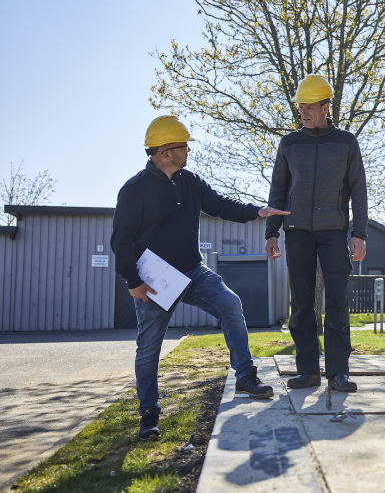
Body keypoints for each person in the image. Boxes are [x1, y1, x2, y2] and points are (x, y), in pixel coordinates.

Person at [111, 115, 290, 440]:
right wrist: (132, 281)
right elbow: (121, 240)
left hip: (193, 271)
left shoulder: (189, 181)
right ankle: (149, 414)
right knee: (149, 347)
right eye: (184, 146)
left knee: (230, 304)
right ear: (165, 151)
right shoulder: (135, 189)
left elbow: (220, 205)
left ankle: (245, 375)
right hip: (155, 280)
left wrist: (257, 211)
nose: (188, 151)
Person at [265, 74, 368, 393]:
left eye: (310, 106)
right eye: (301, 106)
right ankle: (307, 370)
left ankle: (338, 373)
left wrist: (359, 232)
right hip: (296, 232)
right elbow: (278, 188)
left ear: (326, 106)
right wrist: (272, 232)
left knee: (337, 301)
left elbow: (358, 190)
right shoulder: (289, 144)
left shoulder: (346, 142)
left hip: (334, 232)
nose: (304, 111)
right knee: (302, 304)